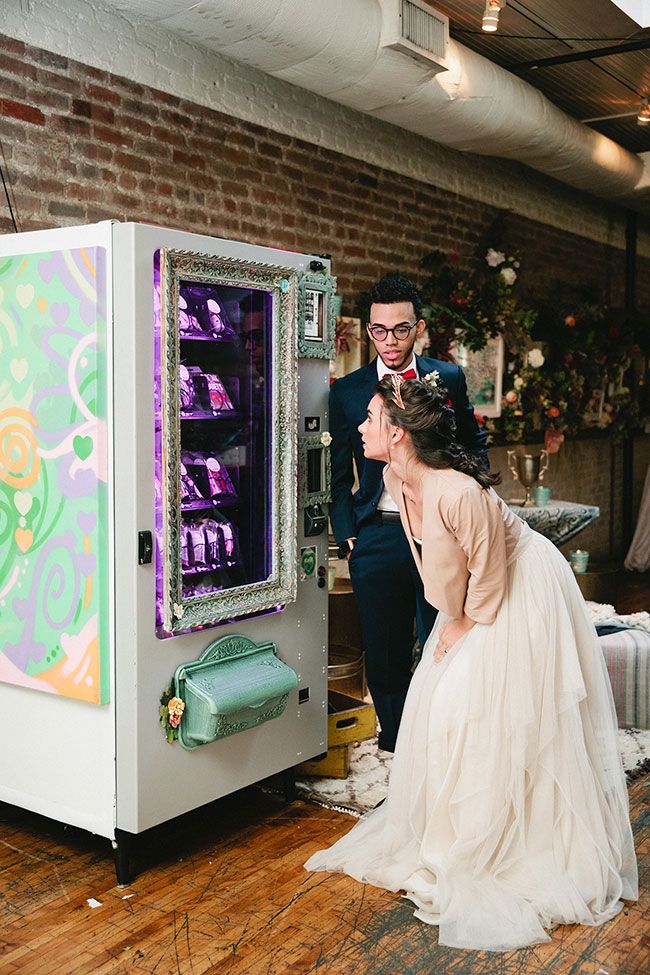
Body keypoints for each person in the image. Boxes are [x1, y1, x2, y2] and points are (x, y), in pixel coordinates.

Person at [306, 375, 638, 952]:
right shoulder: (391, 474)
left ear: (401, 434)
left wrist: (457, 626)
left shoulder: (458, 492)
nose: (360, 427)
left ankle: (501, 833)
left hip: (518, 587)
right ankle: (447, 827)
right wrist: (447, 616)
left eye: (370, 418)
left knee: (479, 705)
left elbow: (489, 575)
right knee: (439, 702)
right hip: (468, 598)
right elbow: (432, 559)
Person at [329, 274, 487, 751]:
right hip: (378, 534)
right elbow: (336, 468)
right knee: (385, 651)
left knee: (446, 637)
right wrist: (347, 533)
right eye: (379, 331)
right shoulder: (348, 392)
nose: (389, 341)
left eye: (400, 330)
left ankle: (445, 741)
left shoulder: (448, 378)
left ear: (418, 328)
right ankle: (397, 745)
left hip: (439, 531)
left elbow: (473, 444)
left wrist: (466, 497)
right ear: (368, 330)